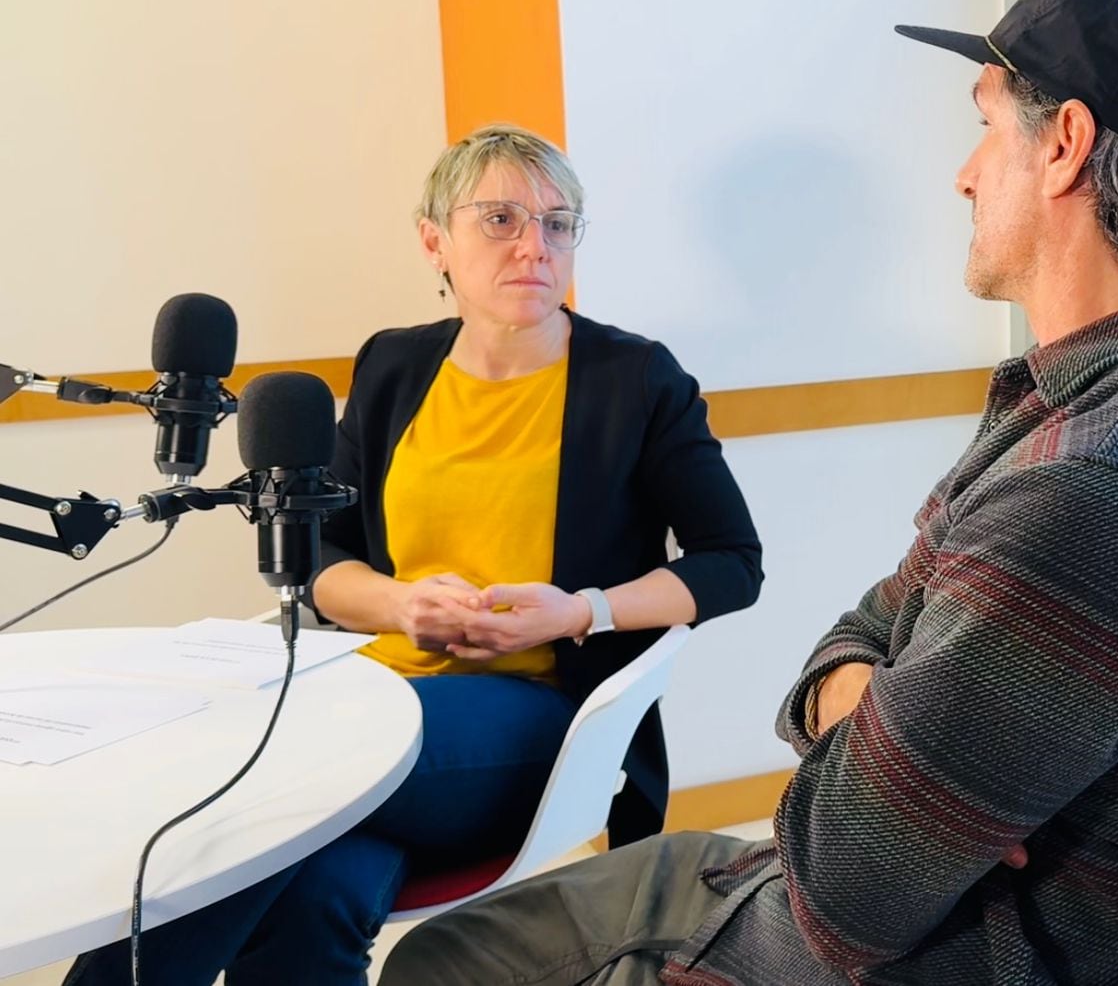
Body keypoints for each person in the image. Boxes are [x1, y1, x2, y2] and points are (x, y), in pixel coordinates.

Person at [385, 0, 1118, 985]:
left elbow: (844, 879)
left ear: (1064, 146)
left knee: (440, 963)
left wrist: (878, 749)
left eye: (987, 125)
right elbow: (858, 632)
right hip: (911, 906)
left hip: (901, 951)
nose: (962, 171)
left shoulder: (1097, 483)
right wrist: (875, 723)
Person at [65, 124, 764, 986]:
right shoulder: (394, 365)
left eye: (558, 222)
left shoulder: (638, 378)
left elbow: (731, 563)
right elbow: (325, 556)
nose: (534, 247)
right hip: (366, 689)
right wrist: (400, 606)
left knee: (254, 791)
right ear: (435, 239)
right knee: (320, 888)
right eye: (501, 219)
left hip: (538, 706)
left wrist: (581, 610)